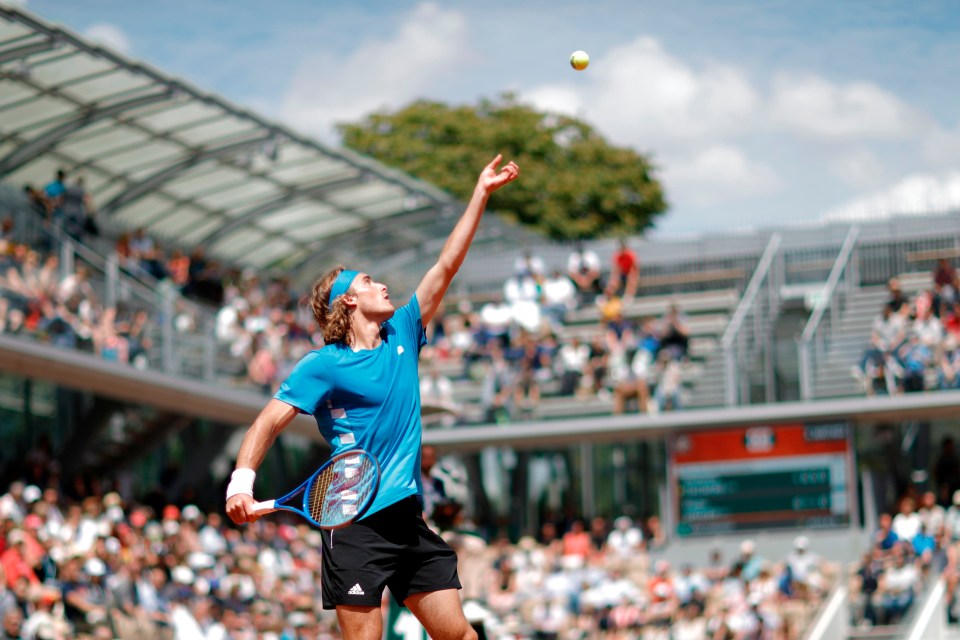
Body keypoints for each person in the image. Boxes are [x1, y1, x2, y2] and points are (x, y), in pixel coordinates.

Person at [225, 155, 519, 640]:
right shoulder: (323, 365)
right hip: (353, 523)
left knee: (462, 636)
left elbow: (447, 264)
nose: (381, 283)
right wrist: (241, 484)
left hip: (406, 516)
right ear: (349, 301)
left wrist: (480, 193)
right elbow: (266, 423)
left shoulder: (404, 331)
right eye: (367, 281)